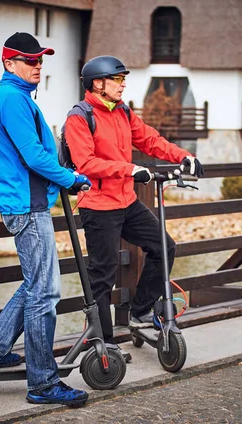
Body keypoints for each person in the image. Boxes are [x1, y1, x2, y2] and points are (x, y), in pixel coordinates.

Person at [0, 32, 91, 407]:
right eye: (29, 60)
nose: (37, 66)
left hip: (27, 203)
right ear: (9, 64)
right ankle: (42, 383)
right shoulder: (11, 99)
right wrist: (71, 178)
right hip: (28, 206)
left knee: (35, 285)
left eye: (40, 60)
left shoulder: (16, 97)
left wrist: (61, 178)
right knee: (45, 293)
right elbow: (33, 157)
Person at [64, 55, 204, 350]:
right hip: (99, 204)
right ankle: (103, 344)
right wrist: (128, 169)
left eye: (123, 79)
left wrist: (183, 156)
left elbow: (150, 140)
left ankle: (139, 311)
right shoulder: (80, 117)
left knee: (164, 247)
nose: (123, 84)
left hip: (126, 200)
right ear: (98, 83)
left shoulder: (122, 112)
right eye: (117, 79)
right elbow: (86, 163)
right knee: (103, 274)